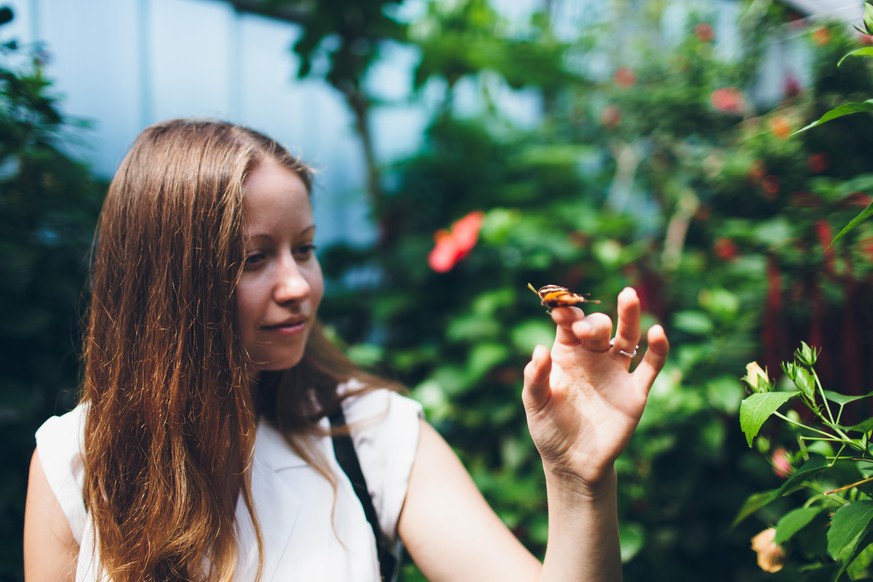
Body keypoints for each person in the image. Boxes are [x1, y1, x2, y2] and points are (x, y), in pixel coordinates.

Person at [23, 118, 669, 582]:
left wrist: (576, 480)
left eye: (304, 248)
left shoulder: (372, 434)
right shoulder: (74, 462)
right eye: (254, 258)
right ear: (167, 285)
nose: (297, 285)